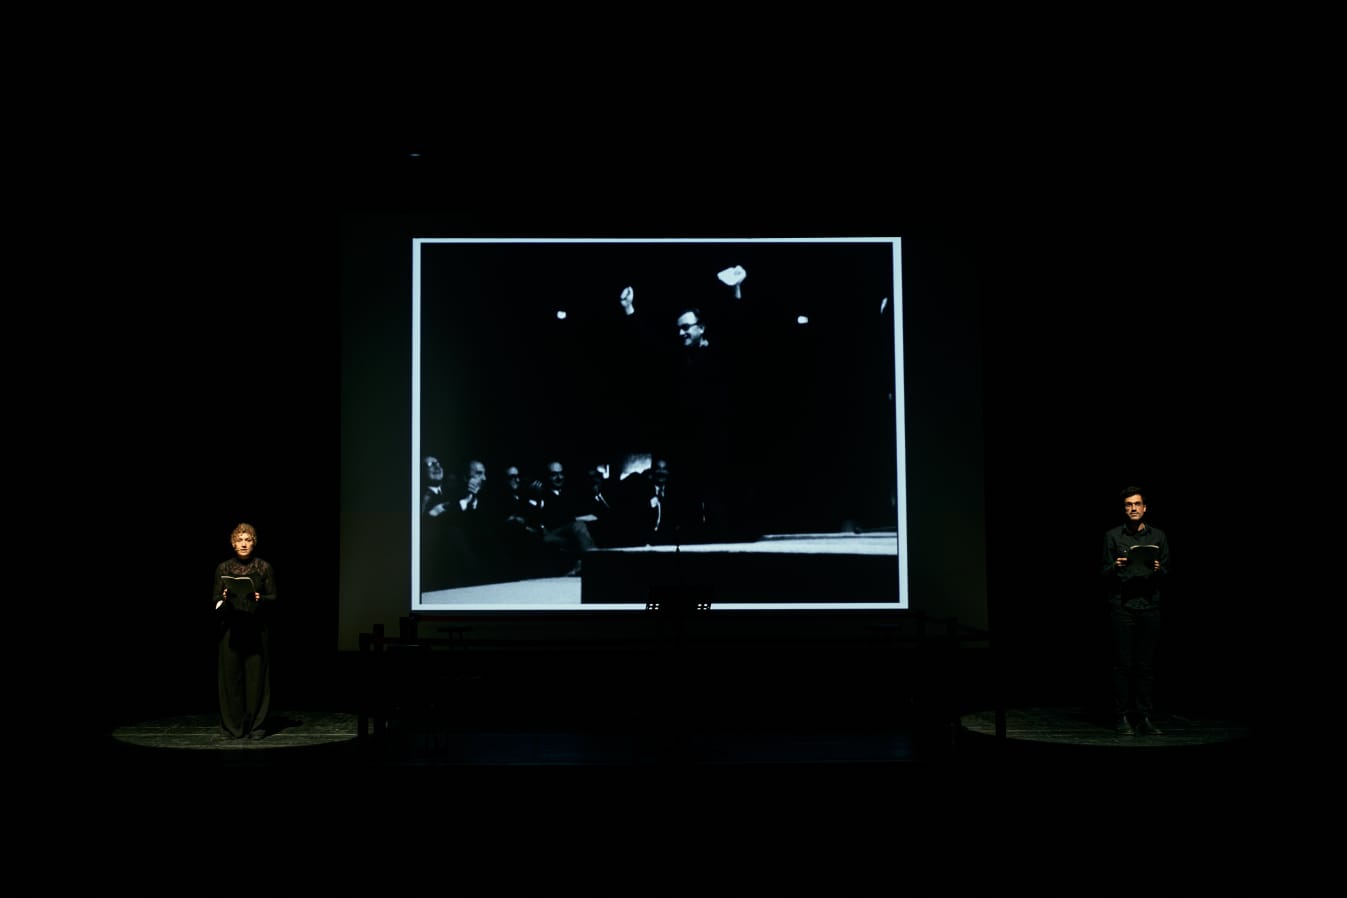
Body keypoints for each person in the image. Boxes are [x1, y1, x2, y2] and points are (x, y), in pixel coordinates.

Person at [1099, 486, 1170, 736]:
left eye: (1137, 504)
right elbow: (1102, 573)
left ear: (1144, 508)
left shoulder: (1158, 536)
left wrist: (1159, 568)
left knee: (1146, 666)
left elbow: (1167, 573)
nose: (1133, 508)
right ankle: (1121, 717)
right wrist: (1115, 566)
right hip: (1122, 607)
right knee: (1122, 665)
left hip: (1150, 606)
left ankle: (1144, 716)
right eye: (1129, 504)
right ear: (1124, 509)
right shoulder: (1112, 536)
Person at [212, 522, 277, 740]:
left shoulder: (263, 567)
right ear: (232, 543)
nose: (243, 544)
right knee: (231, 679)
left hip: (256, 629)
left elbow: (274, 597)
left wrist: (260, 598)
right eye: (239, 540)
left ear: (254, 542)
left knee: (256, 680)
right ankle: (234, 727)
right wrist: (223, 598)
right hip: (231, 629)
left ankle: (256, 727)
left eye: (248, 540)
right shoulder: (223, 568)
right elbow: (214, 599)